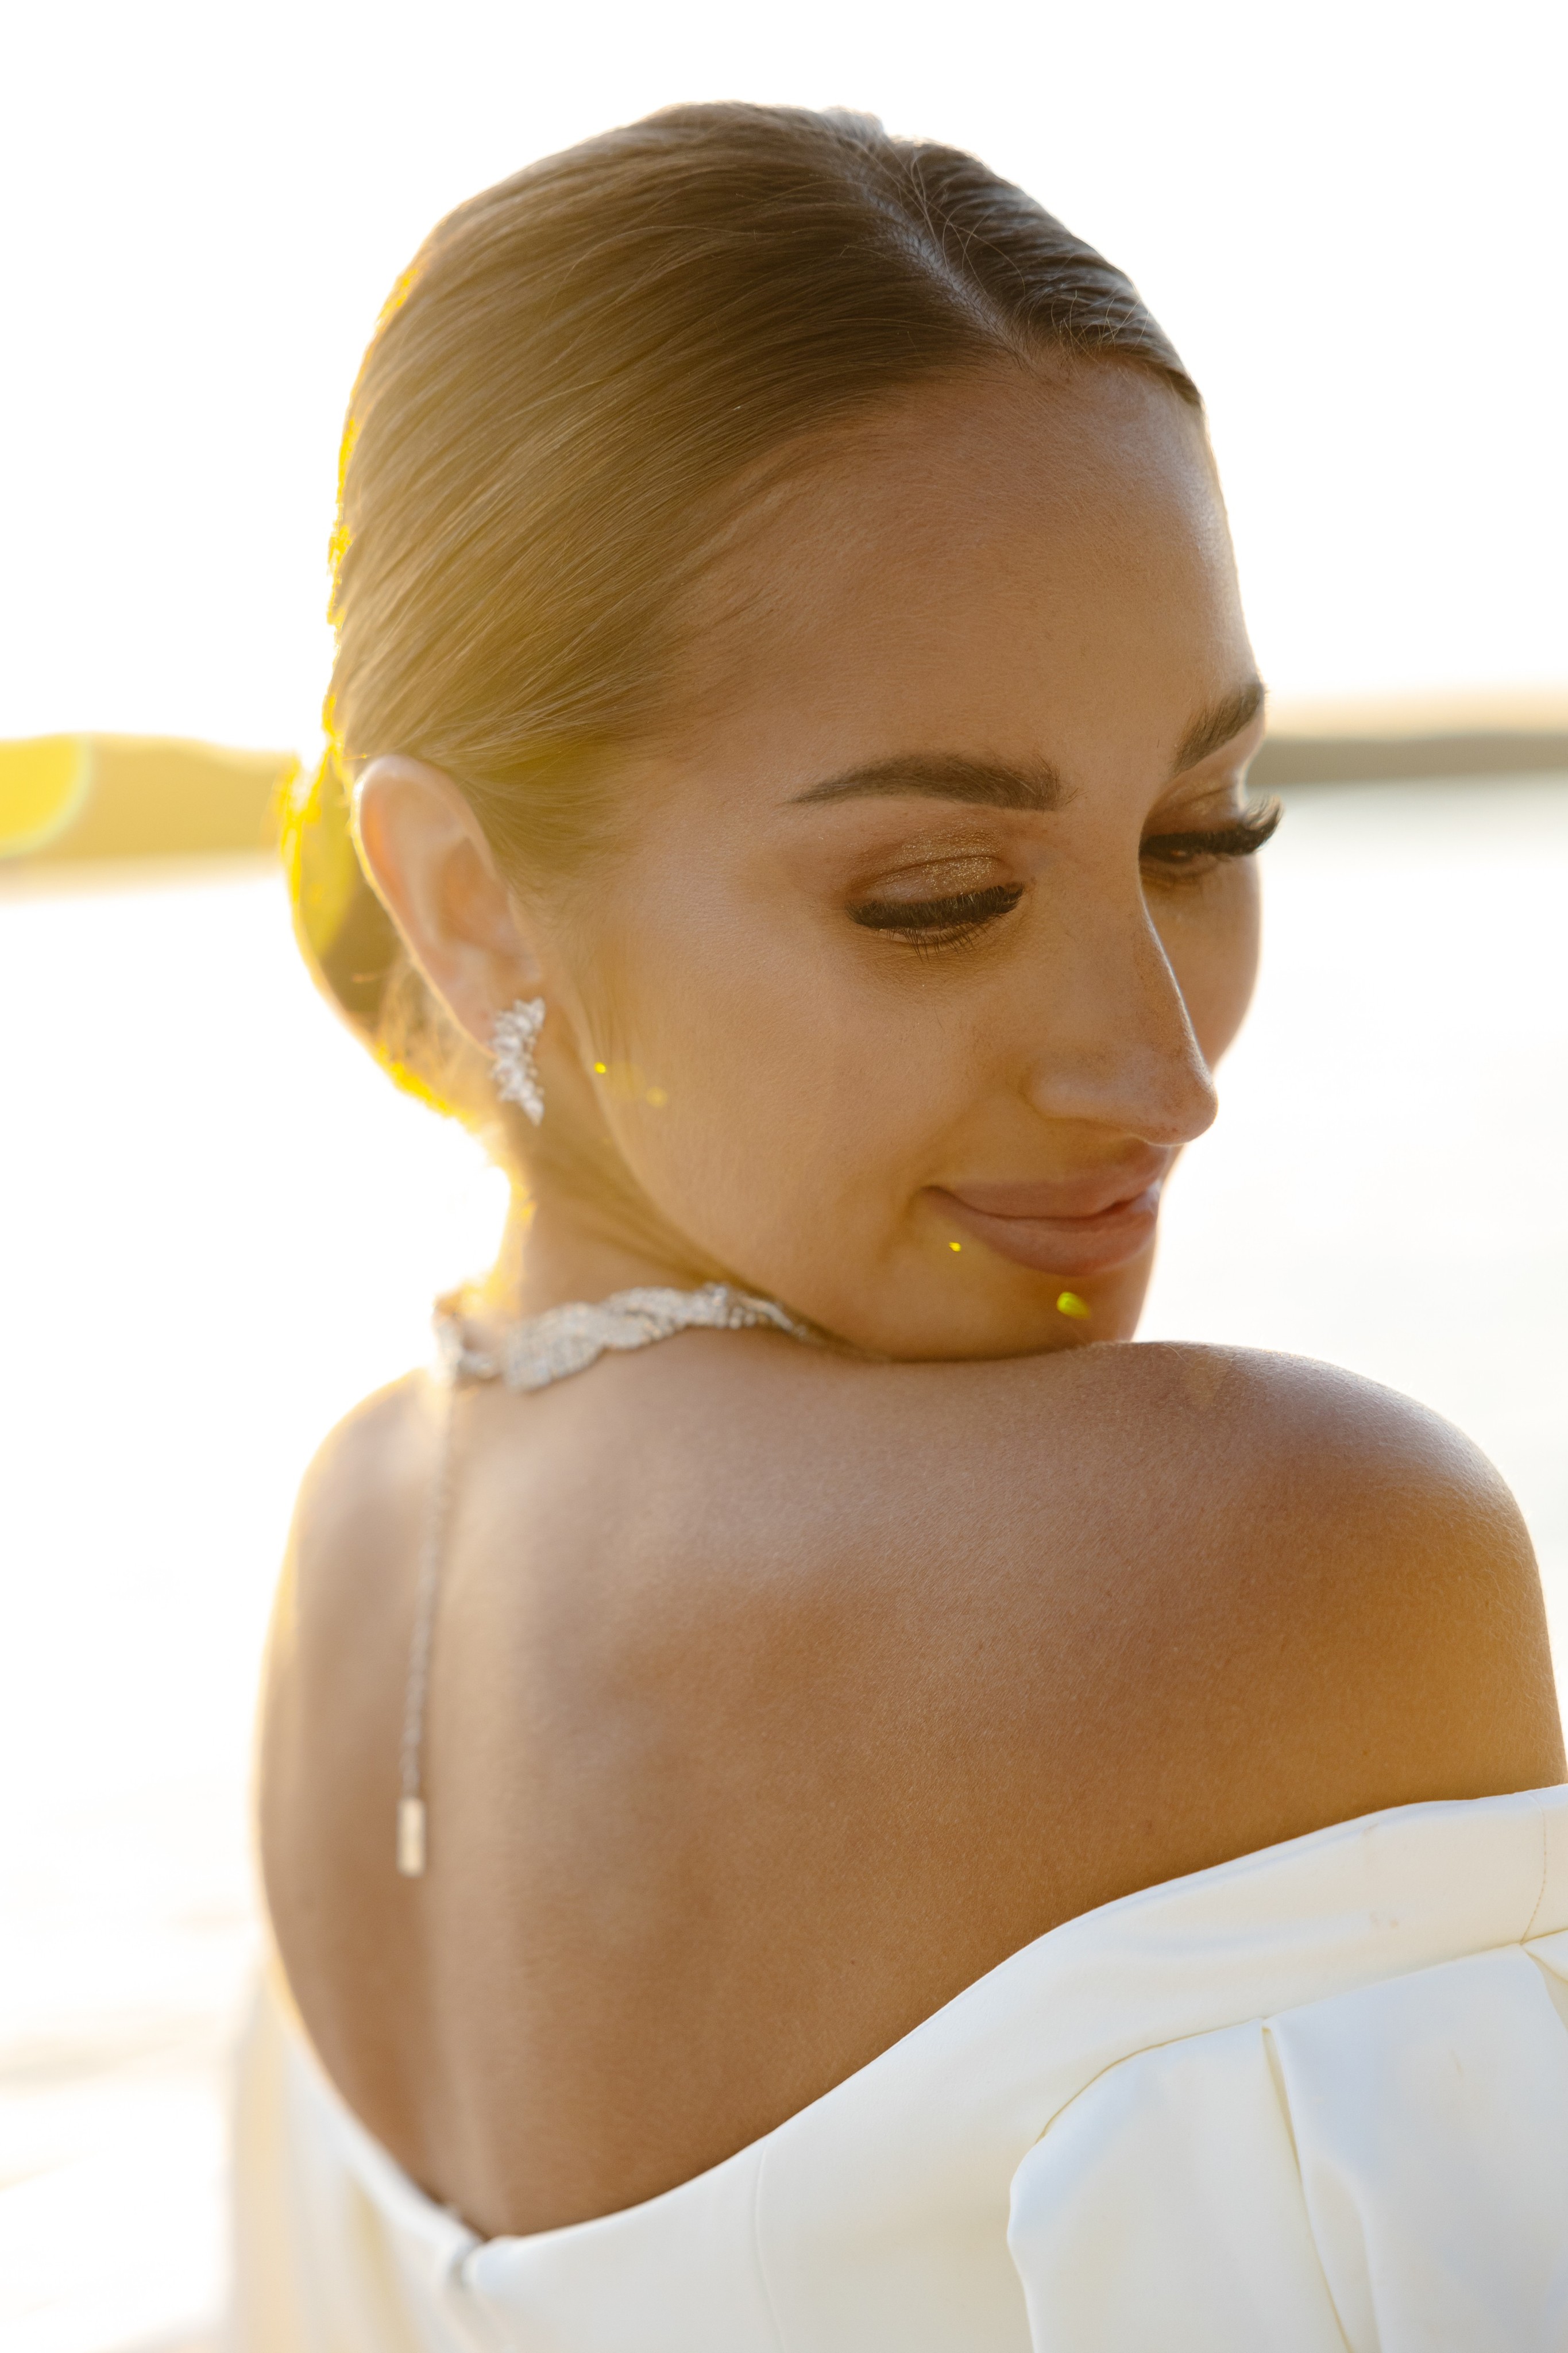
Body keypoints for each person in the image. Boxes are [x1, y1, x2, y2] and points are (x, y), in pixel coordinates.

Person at [239, 103, 1568, 2349]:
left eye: (1198, 829)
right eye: (934, 898)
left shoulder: (346, 1541)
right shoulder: (1281, 1555)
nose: (1162, 1070)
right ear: (467, 904)